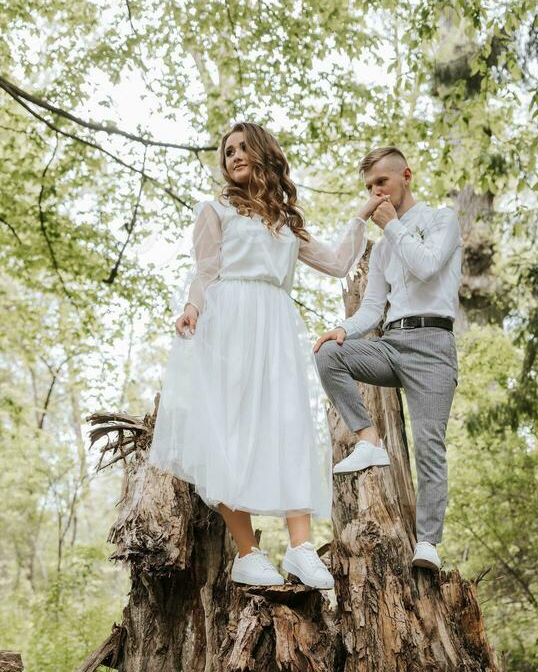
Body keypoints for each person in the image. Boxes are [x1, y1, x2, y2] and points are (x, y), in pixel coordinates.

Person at [149, 121, 383, 588]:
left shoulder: (284, 221)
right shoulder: (216, 210)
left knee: (288, 424)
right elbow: (206, 271)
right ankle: (248, 552)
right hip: (229, 321)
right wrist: (193, 307)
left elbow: (338, 263)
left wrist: (362, 215)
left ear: (262, 153)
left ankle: (300, 549)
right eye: (227, 151)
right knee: (229, 432)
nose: (233, 155)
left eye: (241, 148)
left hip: (276, 325)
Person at [313, 146, 461, 571]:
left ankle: (428, 543)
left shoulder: (441, 220)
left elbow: (428, 267)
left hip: (433, 346)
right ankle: (369, 440)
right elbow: (372, 308)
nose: (375, 193)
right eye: (369, 187)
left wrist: (393, 227)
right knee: (328, 355)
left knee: (429, 444)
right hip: (391, 344)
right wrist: (344, 330)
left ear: (406, 176)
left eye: (381, 182)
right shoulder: (379, 250)